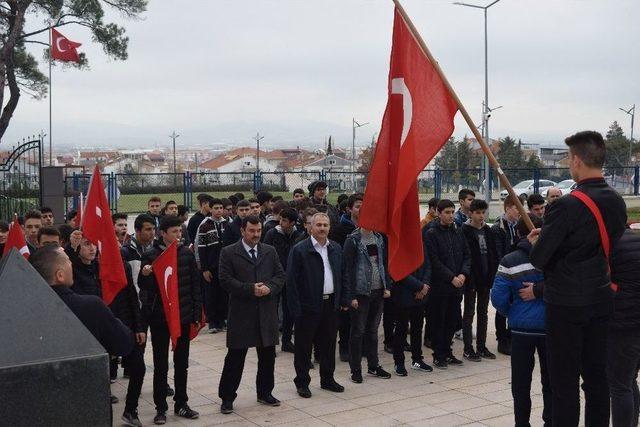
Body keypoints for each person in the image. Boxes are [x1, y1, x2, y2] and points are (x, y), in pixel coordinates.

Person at [529, 130, 627, 427]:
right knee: (597, 379)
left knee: (564, 384)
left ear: (576, 160)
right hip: (601, 298)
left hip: (566, 306)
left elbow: (539, 258)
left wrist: (539, 240)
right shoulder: (616, 201)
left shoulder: (565, 206)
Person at [217, 215, 286, 414]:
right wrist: (249, 289)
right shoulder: (229, 252)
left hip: (266, 312)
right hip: (242, 313)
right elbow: (225, 280)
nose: (256, 235)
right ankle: (227, 397)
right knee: (235, 357)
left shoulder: (269, 251)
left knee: (267, 356)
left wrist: (269, 288)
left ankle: (265, 392)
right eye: (252, 231)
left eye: (258, 231)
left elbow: (280, 276)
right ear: (242, 230)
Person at [139, 215, 202, 424]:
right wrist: (146, 274)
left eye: (180, 231)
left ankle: (181, 403)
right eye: (174, 232)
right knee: (160, 364)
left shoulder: (186, 254)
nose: (178, 235)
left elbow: (195, 285)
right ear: (163, 233)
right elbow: (145, 287)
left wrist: (195, 314)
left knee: (181, 363)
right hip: (160, 318)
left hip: (182, 316)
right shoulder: (151, 255)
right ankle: (160, 407)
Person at [491, 214, 551, 427]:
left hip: (521, 330)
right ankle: (549, 421)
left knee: (521, 383)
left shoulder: (509, 261)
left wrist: (513, 312)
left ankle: (522, 423)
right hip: (549, 327)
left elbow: (497, 297)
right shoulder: (553, 257)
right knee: (550, 381)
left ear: (517, 233)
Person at [29, 245, 133, 357]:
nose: (71, 264)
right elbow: (124, 344)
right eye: (68, 261)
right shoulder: (92, 307)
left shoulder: (26, 309)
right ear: (60, 275)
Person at [286, 212, 349, 398]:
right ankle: (302, 382)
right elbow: (291, 281)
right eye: (318, 225)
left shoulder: (336, 248)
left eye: (325, 225)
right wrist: (296, 309)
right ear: (310, 227)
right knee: (303, 347)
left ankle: (327, 379)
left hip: (331, 305)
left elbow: (343, 275)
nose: (322, 228)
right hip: (308, 307)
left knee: (329, 344)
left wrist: (343, 299)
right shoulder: (299, 250)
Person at [425, 199, 470, 369]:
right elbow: (434, 261)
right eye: (447, 212)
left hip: (457, 286)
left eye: (452, 212)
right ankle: (439, 354)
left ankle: (448, 351)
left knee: (452, 320)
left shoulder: (458, 231)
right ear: (438, 212)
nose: (451, 215)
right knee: (439, 320)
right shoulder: (431, 233)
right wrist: (451, 277)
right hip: (441, 286)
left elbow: (467, 254)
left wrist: (463, 274)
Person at [343, 227, 392, 383]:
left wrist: (387, 286)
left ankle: (373, 365)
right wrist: (350, 296)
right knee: (358, 331)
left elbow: (383, 263)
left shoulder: (379, 237)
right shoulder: (353, 240)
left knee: (373, 331)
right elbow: (348, 270)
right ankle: (355, 369)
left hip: (378, 291)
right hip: (361, 293)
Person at [608, 229, 640, 427]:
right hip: (634, 321)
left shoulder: (610, 246)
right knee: (628, 380)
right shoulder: (635, 241)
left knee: (619, 386)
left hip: (623, 324)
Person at [461, 199, 498, 361]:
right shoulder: (464, 231)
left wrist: (492, 276)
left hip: (486, 279)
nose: (481, 216)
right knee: (469, 313)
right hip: (471, 281)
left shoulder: (488, 231)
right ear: (470, 213)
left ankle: (481, 346)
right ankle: (468, 348)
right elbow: (466, 257)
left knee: (483, 313)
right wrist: (470, 279)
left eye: (483, 212)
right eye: (478, 213)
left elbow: (492, 255)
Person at [263, 207, 302, 353]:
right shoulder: (272, 234)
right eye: (281, 219)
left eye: (285, 220)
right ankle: (270, 344)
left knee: (289, 310)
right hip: (274, 278)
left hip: (290, 278)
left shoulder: (298, 234)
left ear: (292, 223)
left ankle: (286, 341)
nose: (281, 222)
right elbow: (265, 255)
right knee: (272, 311)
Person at [491, 194, 520, 355]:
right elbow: (498, 254)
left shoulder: (517, 227)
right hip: (504, 273)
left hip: (516, 273)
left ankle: (511, 336)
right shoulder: (498, 228)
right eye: (517, 208)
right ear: (508, 208)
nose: (519, 211)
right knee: (502, 307)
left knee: (514, 305)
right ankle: (502, 339)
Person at [195, 198, 228, 333]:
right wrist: (205, 268)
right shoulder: (205, 226)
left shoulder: (228, 224)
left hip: (224, 265)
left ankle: (222, 319)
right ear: (211, 209)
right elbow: (201, 248)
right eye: (216, 208)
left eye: (221, 208)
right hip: (211, 265)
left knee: (223, 294)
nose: (219, 210)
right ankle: (212, 322)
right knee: (211, 294)